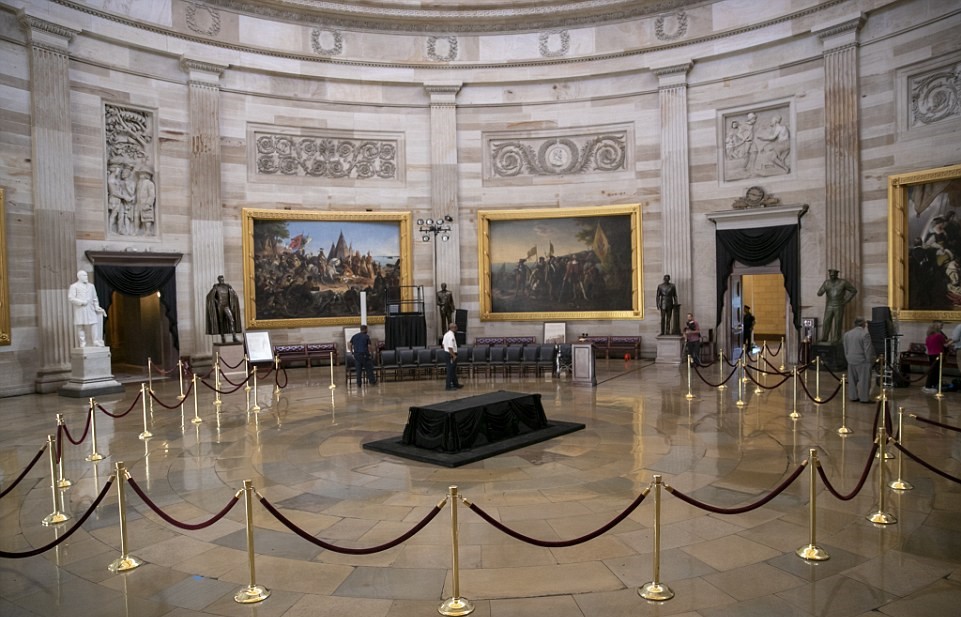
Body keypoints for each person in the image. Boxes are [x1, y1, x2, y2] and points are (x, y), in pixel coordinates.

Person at [817, 269, 857, 344]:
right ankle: (824, 337)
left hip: (839, 305)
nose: (832, 276)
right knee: (826, 321)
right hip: (829, 305)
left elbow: (853, 290)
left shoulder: (843, 282)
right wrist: (822, 289)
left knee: (838, 322)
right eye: (831, 275)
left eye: (833, 275)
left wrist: (846, 300)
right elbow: (819, 293)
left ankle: (836, 338)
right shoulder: (826, 283)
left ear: (837, 275)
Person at [68, 270, 106, 347]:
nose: (86, 277)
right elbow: (71, 298)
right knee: (80, 325)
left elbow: (95, 298)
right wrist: (81, 302)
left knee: (94, 323)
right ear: (79, 277)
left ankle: (95, 341)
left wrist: (96, 306)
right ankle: (82, 342)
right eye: (84, 276)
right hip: (80, 309)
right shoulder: (74, 286)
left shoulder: (91, 286)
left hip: (90, 308)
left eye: (86, 275)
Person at [842, 317, 876, 403]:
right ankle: (864, 398)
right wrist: (870, 362)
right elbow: (867, 350)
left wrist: (848, 358)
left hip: (851, 360)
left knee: (852, 381)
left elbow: (845, 348)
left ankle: (853, 397)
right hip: (862, 361)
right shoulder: (865, 334)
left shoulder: (847, 334)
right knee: (864, 381)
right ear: (863, 324)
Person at [205, 275, 242, 343]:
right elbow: (210, 296)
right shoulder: (216, 287)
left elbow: (234, 294)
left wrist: (233, 300)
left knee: (231, 320)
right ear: (218, 280)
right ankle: (222, 337)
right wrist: (216, 302)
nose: (222, 281)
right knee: (221, 322)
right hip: (220, 306)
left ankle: (234, 336)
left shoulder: (227, 286)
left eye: (222, 279)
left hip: (226, 306)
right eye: (220, 280)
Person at [922, 321, 951, 394]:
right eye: (941, 326)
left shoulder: (929, 336)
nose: (942, 327)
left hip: (930, 355)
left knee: (933, 370)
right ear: (937, 327)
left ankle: (932, 385)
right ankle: (928, 386)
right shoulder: (939, 335)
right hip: (938, 354)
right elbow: (945, 345)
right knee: (935, 371)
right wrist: (952, 341)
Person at [442, 322, 464, 391]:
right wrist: (453, 355)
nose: (457, 328)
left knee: (453, 370)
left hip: (447, 353)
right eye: (456, 327)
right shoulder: (451, 336)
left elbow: (443, 344)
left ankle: (455, 384)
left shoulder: (446, 334)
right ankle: (448, 386)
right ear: (453, 328)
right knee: (450, 371)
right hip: (451, 355)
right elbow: (450, 347)